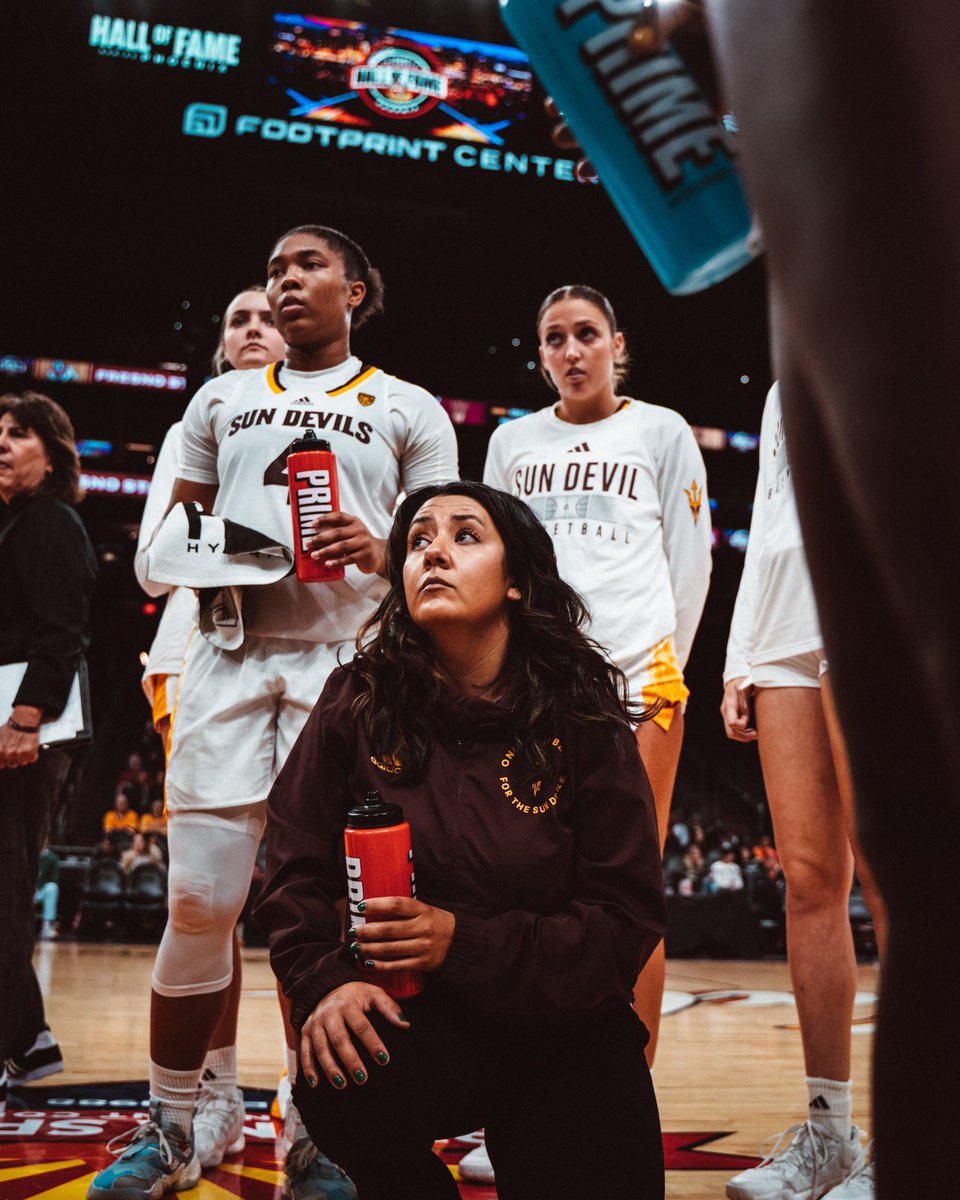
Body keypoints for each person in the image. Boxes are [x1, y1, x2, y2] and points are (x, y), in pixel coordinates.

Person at [88, 224, 458, 1200]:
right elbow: (154, 557)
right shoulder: (221, 402)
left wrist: (380, 549)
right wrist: (254, 553)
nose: (285, 281)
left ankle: (316, 1132)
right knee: (201, 904)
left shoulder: (409, 410)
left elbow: (447, 558)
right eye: (271, 270)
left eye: (307, 266)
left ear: (358, 290)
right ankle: (173, 1127)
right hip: (230, 656)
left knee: (332, 923)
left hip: (351, 674)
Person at [254, 480, 668, 1200]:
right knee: (338, 1064)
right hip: (417, 1019)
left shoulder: (582, 715)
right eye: (417, 541)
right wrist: (326, 981)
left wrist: (461, 941)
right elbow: (292, 870)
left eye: (464, 536)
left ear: (516, 582)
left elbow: (626, 920)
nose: (433, 552)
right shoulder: (356, 698)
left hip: (563, 1026)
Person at [483, 284, 710, 1064]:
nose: (572, 351)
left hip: (639, 683)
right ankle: (528, 1090)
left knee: (631, 892)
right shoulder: (511, 444)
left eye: (586, 334)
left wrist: (663, 658)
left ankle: (627, 1090)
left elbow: (691, 559)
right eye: (555, 338)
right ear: (541, 355)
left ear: (617, 344)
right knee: (531, 885)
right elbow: (499, 569)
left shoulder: (663, 430)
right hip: (537, 686)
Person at [720, 381, 886, 1199]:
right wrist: (739, 655)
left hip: (881, 596)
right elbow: (771, 501)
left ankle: (918, 1132)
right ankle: (830, 1136)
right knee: (810, 882)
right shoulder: (788, 379)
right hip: (784, 620)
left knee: (898, 888)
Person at [0, 392, 97, 1116]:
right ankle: (26, 1040)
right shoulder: (14, 525)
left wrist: (24, 720)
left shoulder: (52, 521)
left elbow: (61, 630)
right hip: (12, 721)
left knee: (5, 884)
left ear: (53, 452)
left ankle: (20, 1041)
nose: (2, 442)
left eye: (19, 433)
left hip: (28, 728)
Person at [34, 842, 61, 940]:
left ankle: (47, 925)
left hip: (39, 893)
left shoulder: (52, 858)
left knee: (52, 888)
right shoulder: (22, 855)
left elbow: (54, 880)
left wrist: (37, 887)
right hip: (21, 892)